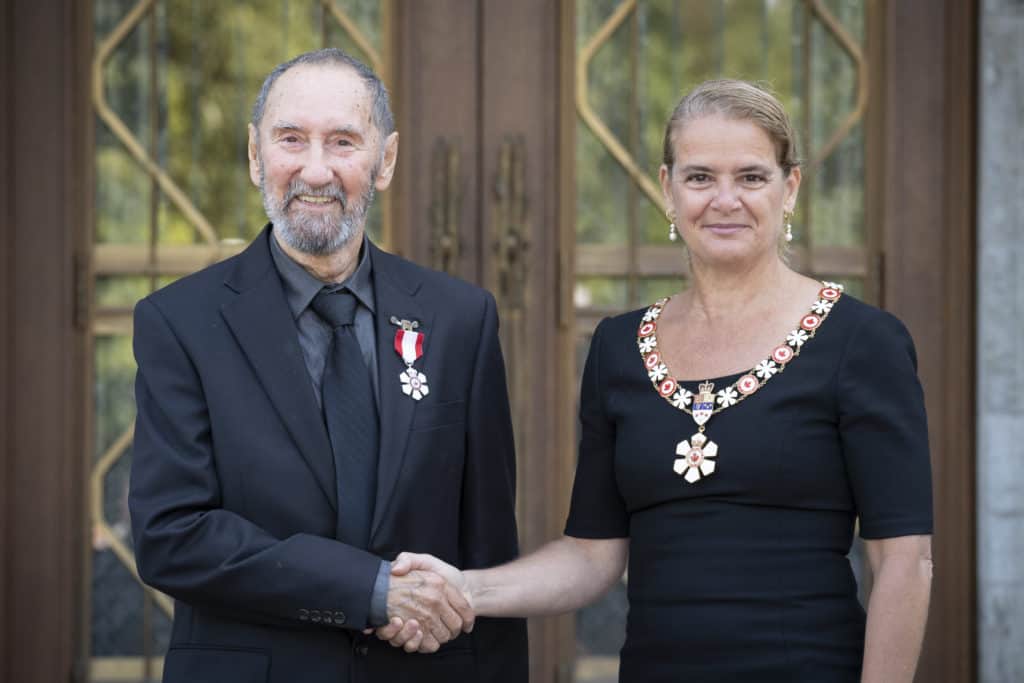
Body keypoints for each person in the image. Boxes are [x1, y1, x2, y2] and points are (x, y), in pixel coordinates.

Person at [379, 79, 934, 682]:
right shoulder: (619, 349)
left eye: (751, 177)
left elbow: (904, 562)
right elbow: (592, 557)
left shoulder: (863, 342)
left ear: (790, 186)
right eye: (700, 178)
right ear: (667, 189)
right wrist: (464, 589)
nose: (725, 200)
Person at [128, 48, 527, 683]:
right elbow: (173, 535)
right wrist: (371, 589)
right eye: (291, 140)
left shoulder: (461, 319)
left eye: (343, 141)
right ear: (257, 155)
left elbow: (486, 548)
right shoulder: (179, 323)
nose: (316, 170)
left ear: (385, 160)